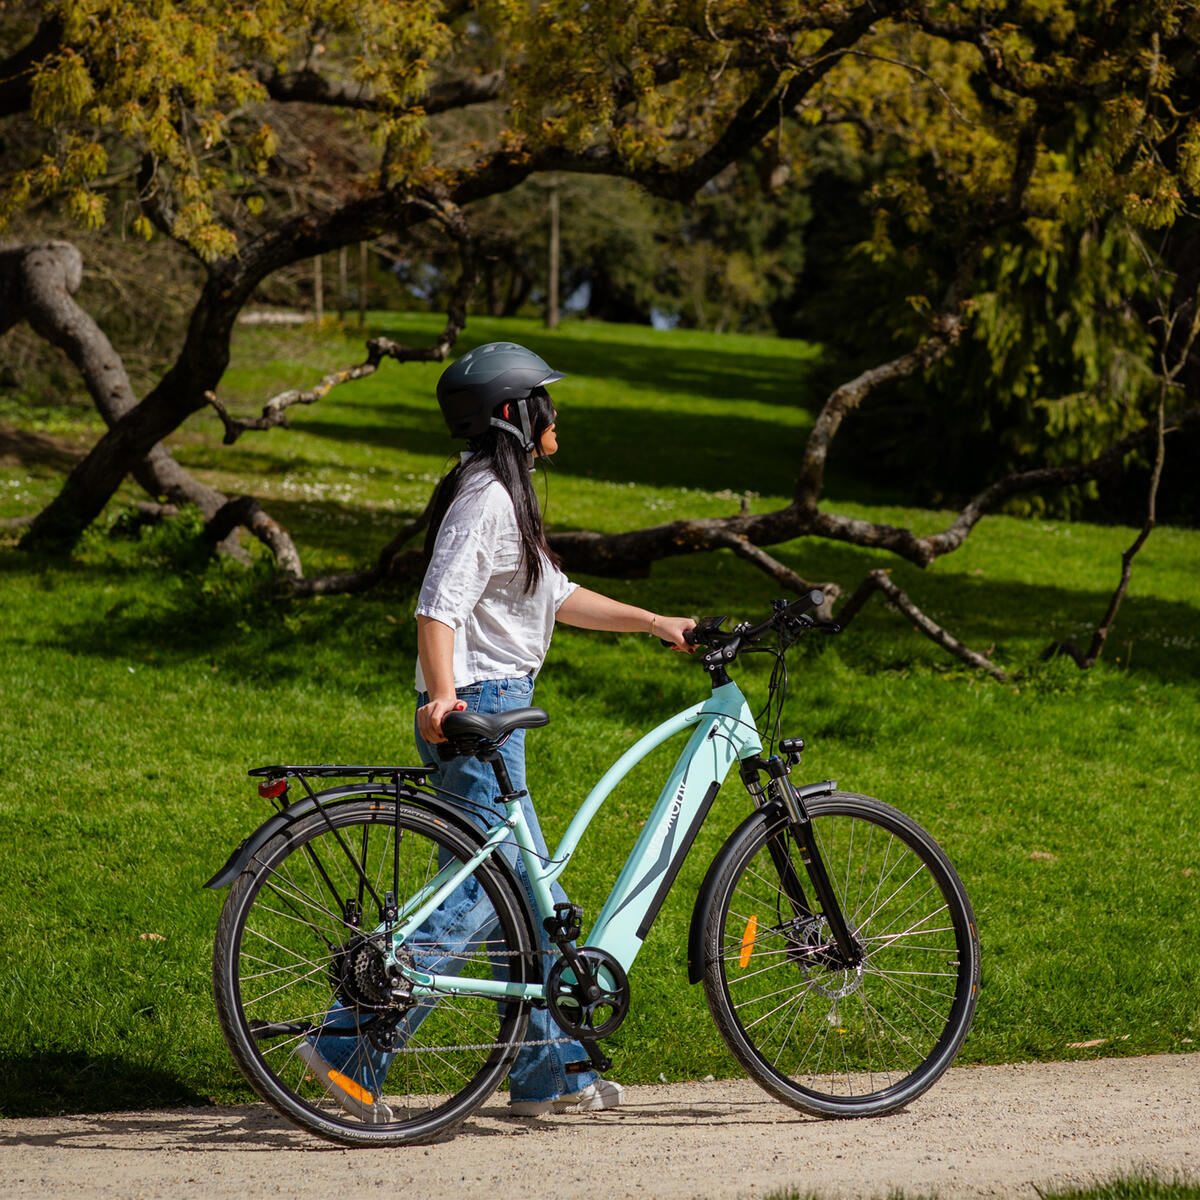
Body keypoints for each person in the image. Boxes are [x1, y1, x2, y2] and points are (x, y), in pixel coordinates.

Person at [299, 341, 694, 1122]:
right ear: (515, 415)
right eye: (547, 401)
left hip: (490, 703)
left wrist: (656, 625)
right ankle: (345, 1048)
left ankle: (552, 1076)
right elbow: (436, 605)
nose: (558, 415)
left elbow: (560, 595)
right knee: (487, 888)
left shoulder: (503, 494)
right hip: (478, 710)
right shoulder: (485, 498)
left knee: (534, 895)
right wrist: (445, 698)